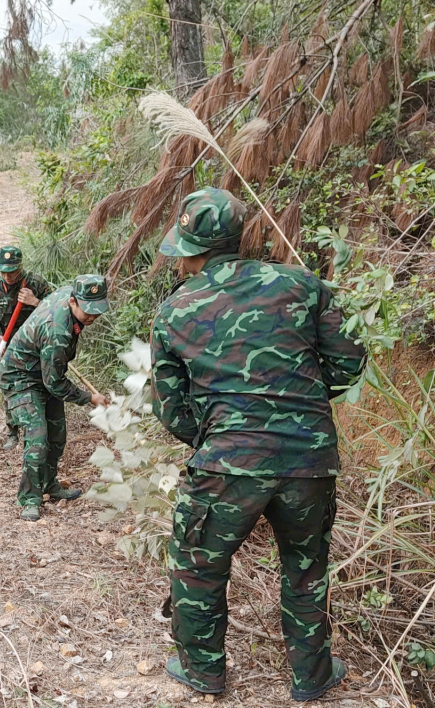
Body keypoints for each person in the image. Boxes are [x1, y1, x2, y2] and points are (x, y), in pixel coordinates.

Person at [150, 188, 366, 701]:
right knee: (306, 566)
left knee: (199, 565)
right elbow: (348, 364)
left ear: (193, 250)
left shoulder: (176, 310)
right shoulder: (304, 286)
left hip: (227, 463)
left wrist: (213, 435)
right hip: (309, 460)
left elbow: (170, 408)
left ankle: (203, 672)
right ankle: (311, 678)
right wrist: (301, 402)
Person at [0, 275, 109, 521]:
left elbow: (53, 378)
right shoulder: (58, 332)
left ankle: (49, 484)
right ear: (72, 301)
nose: (92, 316)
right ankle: (29, 498)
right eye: (88, 310)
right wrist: (89, 398)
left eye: (97, 310)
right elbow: (55, 384)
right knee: (38, 438)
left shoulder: (71, 293)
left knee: (57, 435)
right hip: (20, 377)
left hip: (44, 371)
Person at [0, 245, 53, 450]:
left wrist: (35, 301)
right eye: (3, 271)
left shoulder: (36, 283)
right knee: (9, 386)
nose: (7, 275)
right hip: (8, 345)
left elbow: (56, 311)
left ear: (20, 266)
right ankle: (12, 431)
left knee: (41, 385)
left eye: (11, 271)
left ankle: (41, 430)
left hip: (36, 345)